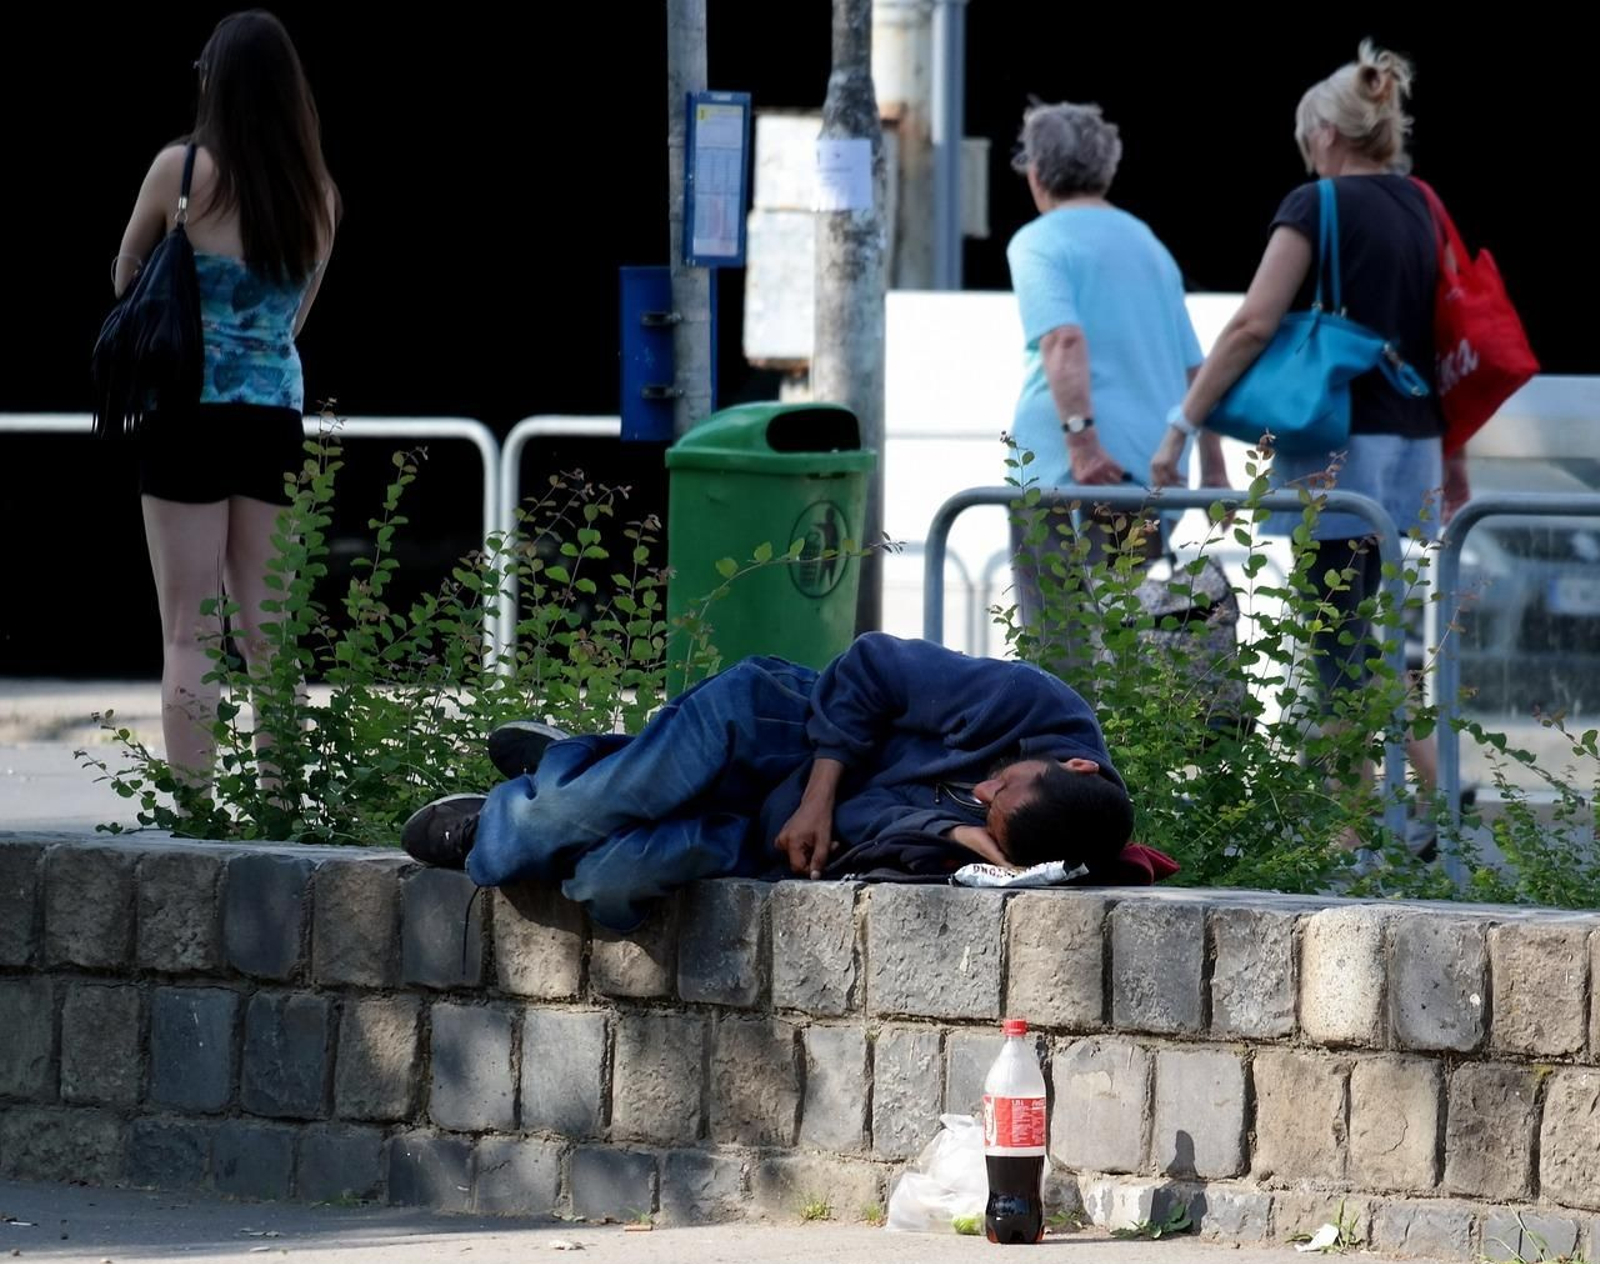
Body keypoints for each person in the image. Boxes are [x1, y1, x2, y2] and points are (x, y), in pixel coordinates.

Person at [1149, 41, 1464, 849]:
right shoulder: (1423, 206)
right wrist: (1455, 461)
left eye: (1304, 137)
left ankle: (1423, 792)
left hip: (1341, 450)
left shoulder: (1314, 206)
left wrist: (1184, 423)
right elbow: (1442, 334)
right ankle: (1361, 828)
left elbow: (1255, 320)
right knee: (1373, 631)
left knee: (1337, 639)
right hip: (1414, 446)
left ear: (1326, 132)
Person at [401, 633, 1137, 931]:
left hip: (759, 831)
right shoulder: (1038, 705)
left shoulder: (1027, 834)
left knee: (608, 888)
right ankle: (497, 831)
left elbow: (877, 832)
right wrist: (821, 797)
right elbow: (872, 666)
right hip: (767, 726)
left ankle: (572, 769)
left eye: (992, 808)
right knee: (555, 826)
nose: (984, 792)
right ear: (1072, 763)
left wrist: (947, 832)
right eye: (1002, 783)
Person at [111, 10, 339, 788]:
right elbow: (296, 317)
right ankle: (281, 803)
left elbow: (127, 276)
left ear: (215, 80)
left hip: (185, 412)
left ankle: (195, 810)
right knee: (268, 627)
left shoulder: (180, 170)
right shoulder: (317, 194)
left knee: (190, 628)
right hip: (272, 415)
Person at [1004, 100, 1229, 650]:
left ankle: (1061, 739)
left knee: (1060, 649)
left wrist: (1081, 443)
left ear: (1036, 173)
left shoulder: (1038, 240)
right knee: (1134, 643)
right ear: (1106, 170)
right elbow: (1198, 367)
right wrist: (1214, 468)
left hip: (1065, 474)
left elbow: (1062, 339)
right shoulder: (1148, 244)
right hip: (1150, 471)